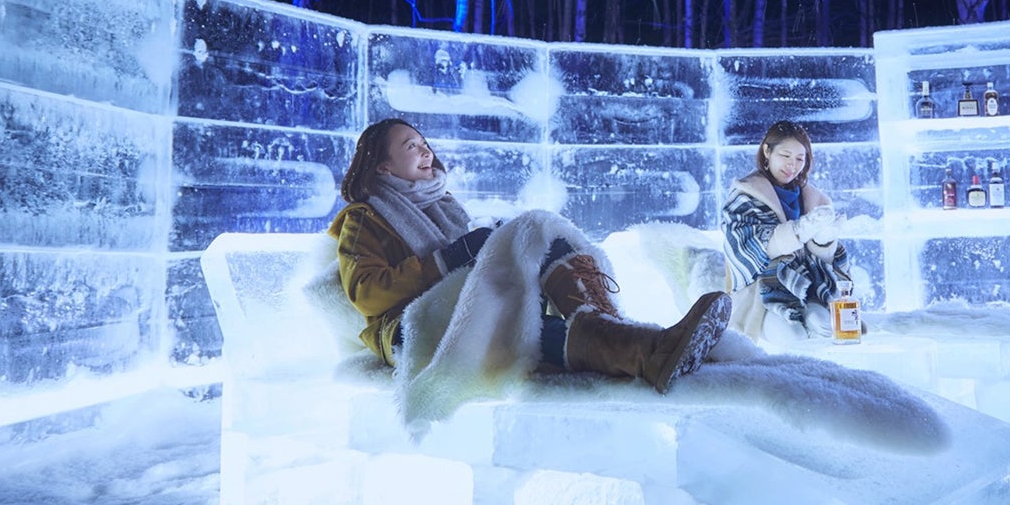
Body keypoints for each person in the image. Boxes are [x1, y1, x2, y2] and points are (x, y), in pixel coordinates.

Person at [329, 118, 730, 394]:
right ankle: (642, 347)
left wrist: (484, 249)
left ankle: (627, 336)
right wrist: (451, 258)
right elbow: (366, 294)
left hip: (452, 307)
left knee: (540, 236)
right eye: (410, 145)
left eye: (424, 142)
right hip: (406, 329)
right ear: (382, 165)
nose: (425, 149)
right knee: (512, 314)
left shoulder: (444, 205)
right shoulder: (365, 218)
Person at [722, 120, 851, 341]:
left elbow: (824, 261)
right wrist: (800, 230)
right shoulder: (744, 196)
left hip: (810, 289)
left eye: (800, 159)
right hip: (762, 294)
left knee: (827, 328)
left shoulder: (815, 199)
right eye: (785, 155)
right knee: (794, 337)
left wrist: (824, 240)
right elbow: (751, 249)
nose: (792, 165)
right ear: (767, 151)